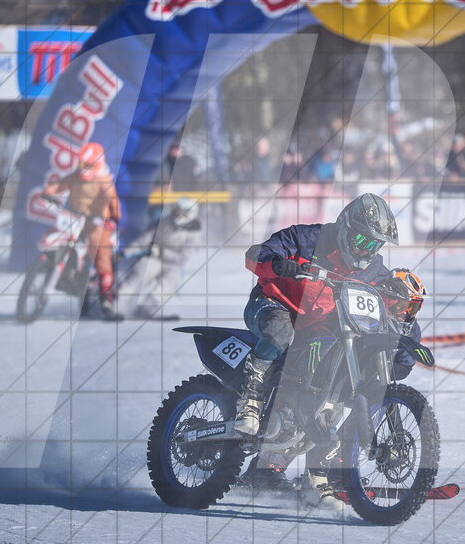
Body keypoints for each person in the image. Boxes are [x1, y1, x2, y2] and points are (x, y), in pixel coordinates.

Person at [237, 193, 422, 496]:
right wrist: (276, 264)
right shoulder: (308, 238)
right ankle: (251, 396)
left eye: (375, 245)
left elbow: (388, 308)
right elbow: (256, 254)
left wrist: (405, 322)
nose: (366, 250)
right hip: (274, 305)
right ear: (346, 227)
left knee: (338, 387)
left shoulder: (374, 270)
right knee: (282, 331)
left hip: (318, 330)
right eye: (362, 241)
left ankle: (322, 470)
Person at [42, 142, 122, 319]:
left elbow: (113, 201)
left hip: (96, 224)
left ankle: (106, 298)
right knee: (54, 235)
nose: (85, 169)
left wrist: (113, 218)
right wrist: (47, 192)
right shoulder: (75, 177)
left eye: (89, 165)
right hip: (74, 220)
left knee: (101, 256)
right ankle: (52, 269)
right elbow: (59, 185)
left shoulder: (103, 180)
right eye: (83, 164)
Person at [117, 197, 201, 320]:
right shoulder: (163, 223)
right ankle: (117, 303)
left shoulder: (194, 232)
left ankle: (149, 307)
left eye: (182, 212)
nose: (178, 215)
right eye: (177, 211)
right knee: (141, 274)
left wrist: (161, 252)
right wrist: (125, 253)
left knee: (170, 281)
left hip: (171, 263)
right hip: (153, 259)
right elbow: (143, 241)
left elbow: (183, 257)